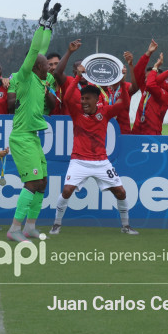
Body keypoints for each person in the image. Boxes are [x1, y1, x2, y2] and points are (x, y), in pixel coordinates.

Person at [50, 68, 136, 235]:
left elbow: (124, 104)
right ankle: (56, 224)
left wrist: (123, 82)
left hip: (101, 162)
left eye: (87, 99)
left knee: (121, 192)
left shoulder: (105, 112)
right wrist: (77, 77)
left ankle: (126, 226)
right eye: (82, 98)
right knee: (67, 190)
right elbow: (67, 97)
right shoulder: (77, 112)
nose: (83, 102)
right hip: (79, 161)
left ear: (97, 100)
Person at [7, 0, 61, 242]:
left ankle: (30, 226)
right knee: (33, 182)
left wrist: (49, 27)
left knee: (42, 183)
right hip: (21, 137)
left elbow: (41, 50)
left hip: (33, 137)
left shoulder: (44, 80)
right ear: (35, 67)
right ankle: (14, 229)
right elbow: (33, 51)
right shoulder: (25, 77)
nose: (46, 65)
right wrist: (40, 24)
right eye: (43, 64)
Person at [131, 42, 168, 135]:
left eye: (149, 78)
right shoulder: (145, 88)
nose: (145, 80)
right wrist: (148, 53)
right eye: (145, 78)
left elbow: (151, 86)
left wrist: (156, 67)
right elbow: (137, 71)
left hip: (152, 135)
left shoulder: (164, 93)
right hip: (136, 132)